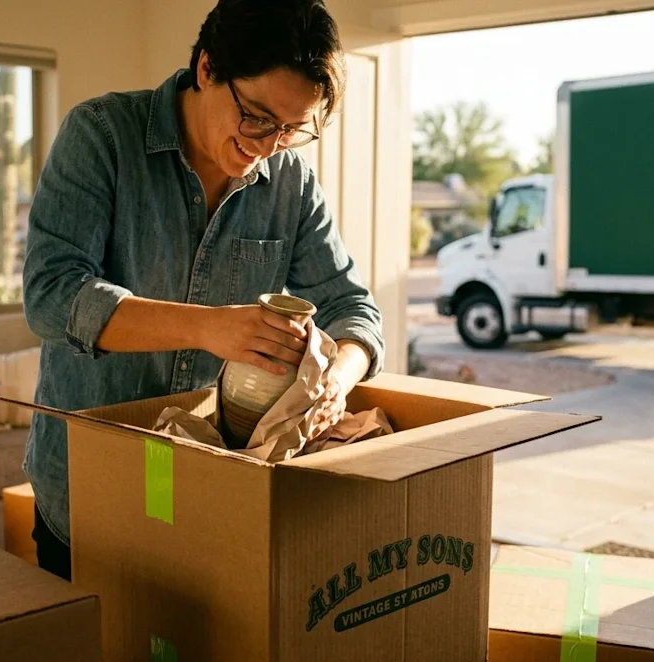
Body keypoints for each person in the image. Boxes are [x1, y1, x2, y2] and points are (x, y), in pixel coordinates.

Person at [21, 0, 385, 581]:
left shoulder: (291, 185)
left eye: (293, 129)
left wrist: (335, 382)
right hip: (88, 490)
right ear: (208, 69)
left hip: (210, 489)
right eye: (258, 117)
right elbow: (50, 295)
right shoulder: (101, 137)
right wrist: (209, 326)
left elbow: (354, 310)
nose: (267, 145)